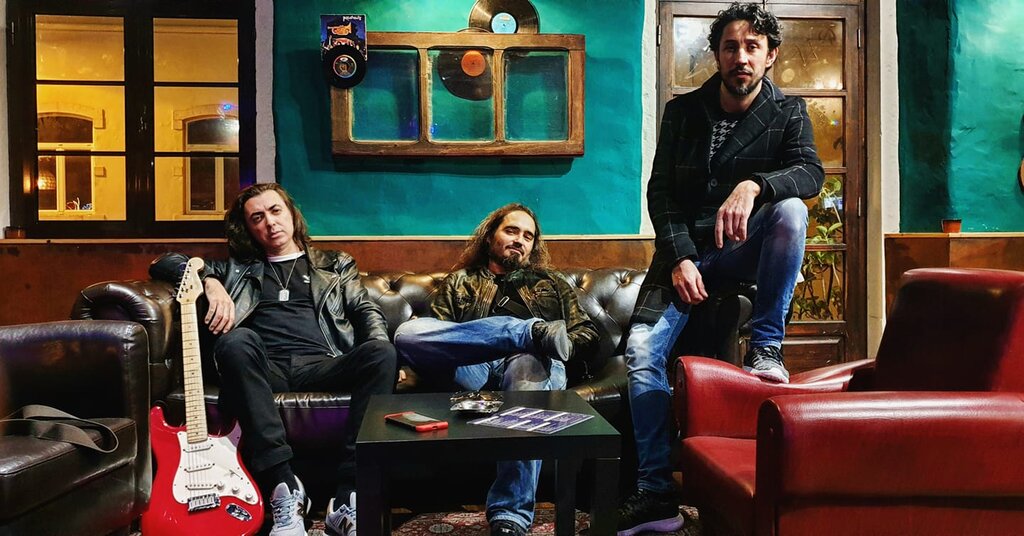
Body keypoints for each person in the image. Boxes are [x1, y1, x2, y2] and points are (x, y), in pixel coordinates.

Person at [617, 3, 824, 535]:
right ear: (717, 54)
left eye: (753, 47)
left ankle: (767, 347)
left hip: (737, 252)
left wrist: (756, 185)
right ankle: (656, 493)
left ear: (770, 56)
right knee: (641, 353)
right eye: (731, 47)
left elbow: (810, 173)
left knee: (791, 210)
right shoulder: (682, 111)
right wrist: (681, 257)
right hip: (681, 257)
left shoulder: (788, 112)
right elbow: (661, 193)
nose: (741, 57)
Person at [151, 183, 397, 536]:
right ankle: (285, 487)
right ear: (248, 229)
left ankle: (347, 497)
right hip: (266, 369)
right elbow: (163, 263)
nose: (269, 222)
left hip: (323, 364)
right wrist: (210, 281)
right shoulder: (236, 269)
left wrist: (378, 344)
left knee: (381, 352)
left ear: (292, 213)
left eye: (275, 210)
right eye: (257, 218)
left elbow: (364, 309)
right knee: (236, 340)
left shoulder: (335, 263)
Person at [394, 203, 599, 536]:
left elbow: (587, 333)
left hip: (531, 362)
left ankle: (510, 515)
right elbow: (440, 336)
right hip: (474, 365)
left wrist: (559, 347)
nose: (520, 240)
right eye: (511, 231)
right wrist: (411, 367)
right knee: (407, 333)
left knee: (527, 362)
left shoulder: (552, 283)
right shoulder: (460, 281)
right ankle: (527, 331)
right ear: (490, 237)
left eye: (528, 236)